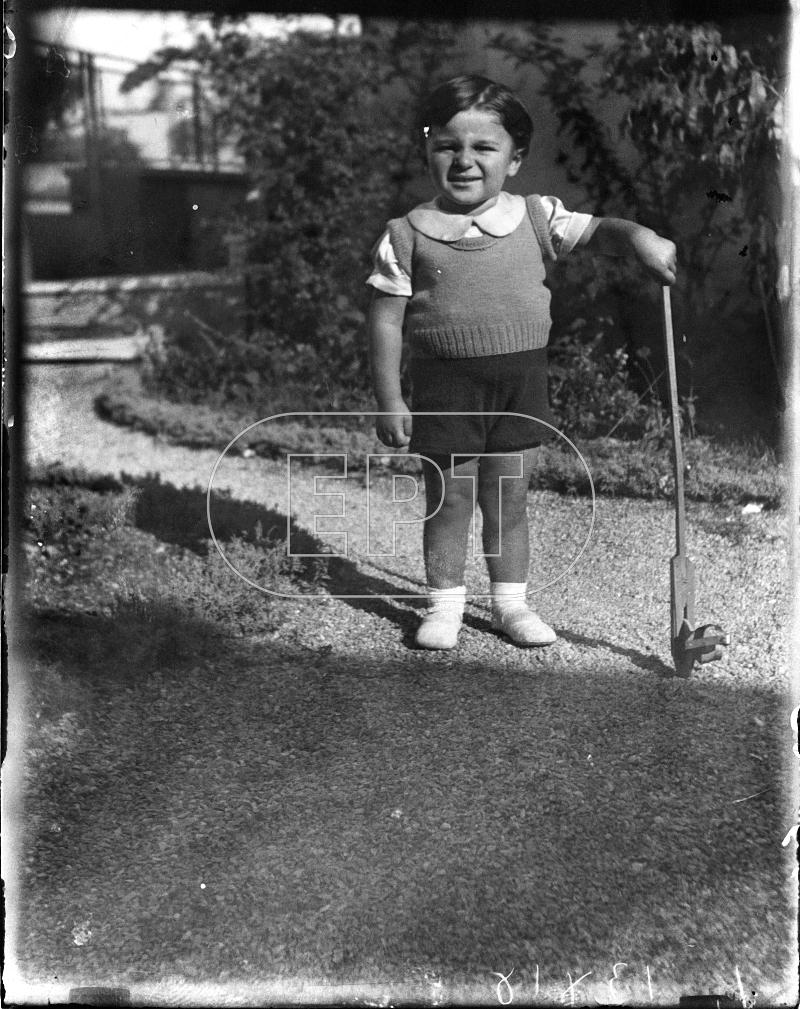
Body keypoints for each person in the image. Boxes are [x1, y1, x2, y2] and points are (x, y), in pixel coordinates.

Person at [367, 75, 677, 650]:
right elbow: (385, 321)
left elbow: (599, 231)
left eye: (484, 147)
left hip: (520, 382)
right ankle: (444, 607)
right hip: (446, 385)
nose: (464, 160)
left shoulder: (536, 217)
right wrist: (390, 397)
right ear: (426, 151)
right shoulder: (406, 235)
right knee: (450, 498)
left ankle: (511, 604)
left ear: (514, 160)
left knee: (507, 498)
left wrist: (640, 237)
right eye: (447, 146)